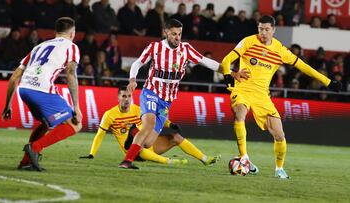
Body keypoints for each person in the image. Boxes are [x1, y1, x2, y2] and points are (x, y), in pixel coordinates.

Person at [221, 15, 342, 179]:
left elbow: (304, 67)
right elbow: (227, 59)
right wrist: (229, 74)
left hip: (263, 96)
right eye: (260, 29)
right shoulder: (248, 41)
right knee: (239, 114)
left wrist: (328, 82)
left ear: (273, 30)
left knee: (279, 134)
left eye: (266, 29)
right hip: (242, 90)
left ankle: (279, 169)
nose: (263, 33)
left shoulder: (280, 50)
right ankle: (244, 158)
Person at [118, 18, 249, 169]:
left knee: (147, 142)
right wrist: (133, 80)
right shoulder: (155, 48)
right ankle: (127, 161)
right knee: (150, 123)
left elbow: (208, 62)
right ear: (165, 33)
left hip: (166, 101)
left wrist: (232, 72)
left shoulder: (185, 49)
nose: (177, 37)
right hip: (151, 92)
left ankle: (133, 132)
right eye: (174, 34)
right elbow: (137, 63)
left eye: (179, 34)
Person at [1, 17, 82, 171]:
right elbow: (71, 73)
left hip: (24, 89)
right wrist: (76, 106)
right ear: (72, 33)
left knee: (46, 123)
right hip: (42, 89)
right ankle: (34, 148)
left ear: (56, 32)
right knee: (75, 124)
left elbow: (14, 78)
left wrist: (8, 106)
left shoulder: (39, 46)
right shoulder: (71, 47)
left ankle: (26, 162)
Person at [80, 86, 220, 166]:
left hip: (149, 144)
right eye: (123, 96)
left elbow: (154, 118)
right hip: (133, 150)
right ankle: (169, 162)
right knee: (136, 136)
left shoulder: (137, 109)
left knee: (175, 137)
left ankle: (204, 159)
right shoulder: (109, 115)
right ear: (118, 98)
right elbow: (99, 135)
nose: (127, 99)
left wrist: (170, 123)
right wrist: (92, 154)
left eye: (129, 96)